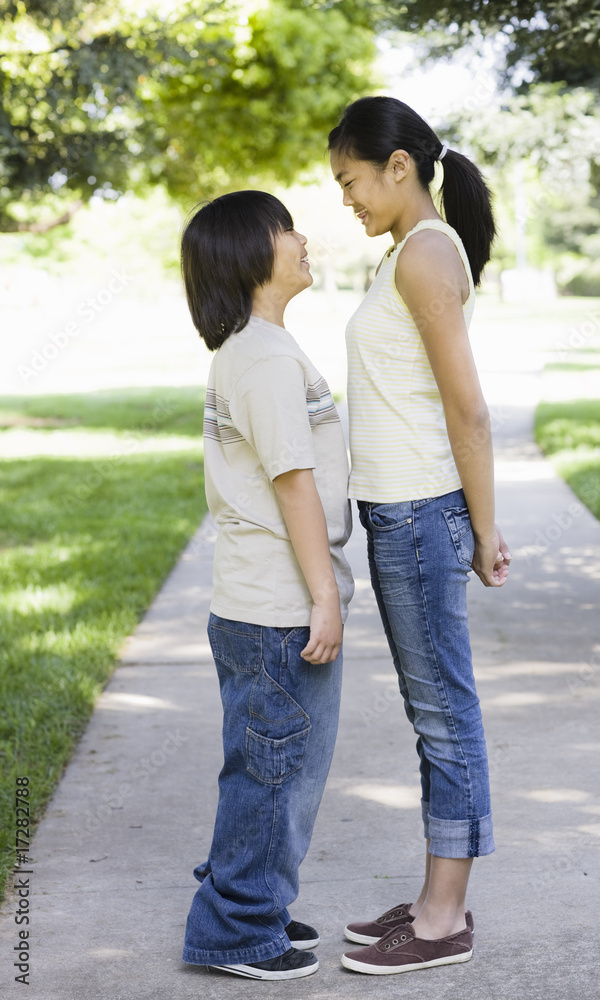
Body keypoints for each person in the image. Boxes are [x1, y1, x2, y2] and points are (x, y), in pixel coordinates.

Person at [328, 96, 511, 976]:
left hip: (420, 516)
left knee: (444, 713)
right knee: (430, 708)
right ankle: (437, 893)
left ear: (398, 165)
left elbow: (466, 406)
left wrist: (481, 527)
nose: (346, 198)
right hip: (401, 515)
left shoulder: (425, 255)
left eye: (351, 179)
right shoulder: (407, 252)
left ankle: (443, 920)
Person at [179, 191, 354, 981]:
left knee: (268, 767)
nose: (302, 237)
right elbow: (294, 484)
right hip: (279, 609)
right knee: (275, 773)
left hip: (259, 606)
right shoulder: (264, 357)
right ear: (251, 253)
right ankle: (236, 927)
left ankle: (253, 900)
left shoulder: (257, 348)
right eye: (286, 228)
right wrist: (324, 595)